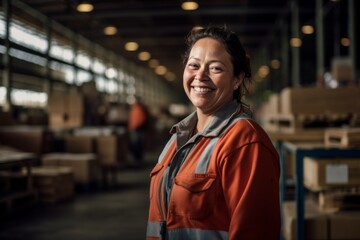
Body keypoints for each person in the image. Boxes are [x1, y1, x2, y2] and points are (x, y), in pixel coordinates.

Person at [146, 26, 280, 240]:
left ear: (237, 79)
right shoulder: (177, 138)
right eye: (193, 65)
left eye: (215, 68)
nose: (200, 75)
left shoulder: (244, 142)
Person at [128, 96, 149, 165]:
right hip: (135, 129)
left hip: (137, 130)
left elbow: (141, 119)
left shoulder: (138, 108)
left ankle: (138, 161)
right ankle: (137, 160)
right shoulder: (135, 108)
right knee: (136, 145)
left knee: (137, 145)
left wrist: (135, 126)